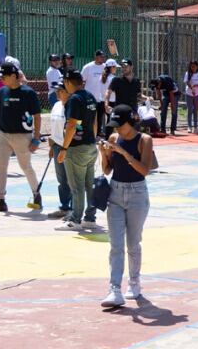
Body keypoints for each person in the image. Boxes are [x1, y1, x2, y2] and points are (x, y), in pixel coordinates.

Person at [98, 105, 156, 308]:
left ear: (130, 122)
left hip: (137, 193)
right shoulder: (114, 138)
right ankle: (114, 288)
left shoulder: (144, 140)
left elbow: (144, 170)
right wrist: (103, 153)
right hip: (115, 192)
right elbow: (106, 170)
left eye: (119, 125)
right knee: (115, 244)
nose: (116, 129)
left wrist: (123, 153)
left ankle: (134, 282)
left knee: (133, 243)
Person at [0, 65, 43, 214]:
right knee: (1, 167)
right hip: (3, 134)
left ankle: (36, 194)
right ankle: (0, 200)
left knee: (25, 167)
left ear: (13, 76)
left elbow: (37, 115)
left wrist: (36, 138)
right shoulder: (2, 91)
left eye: (4, 76)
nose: (1, 79)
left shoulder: (28, 93)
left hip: (22, 136)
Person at [57, 70, 102, 232]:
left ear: (69, 82)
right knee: (89, 185)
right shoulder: (90, 96)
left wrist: (64, 148)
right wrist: (92, 140)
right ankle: (90, 218)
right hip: (90, 145)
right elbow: (95, 122)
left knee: (76, 186)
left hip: (76, 149)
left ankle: (75, 219)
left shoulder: (74, 99)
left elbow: (71, 125)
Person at [45, 79, 73, 219]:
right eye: (56, 90)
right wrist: (52, 147)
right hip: (57, 146)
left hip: (69, 147)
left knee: (72, 179)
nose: (57, 93)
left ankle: (74, 210)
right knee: (61, 179)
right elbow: (54, 128)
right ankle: (64, 207)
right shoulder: (56, 105)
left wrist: (65, 147)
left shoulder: (73, 106)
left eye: (60, 90)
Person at [184, 62, 198, 133]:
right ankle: (189, 127)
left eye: (194, 66)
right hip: (189, 93)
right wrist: (191, 88)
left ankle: (195, 127)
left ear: (197, 66)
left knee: (195, 110)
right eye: (191, 67)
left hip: (197, 94)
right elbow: (186, 82)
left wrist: (196, 86)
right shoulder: (188, 73)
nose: (192, 68)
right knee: (190, 109)